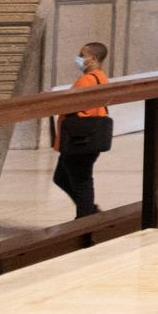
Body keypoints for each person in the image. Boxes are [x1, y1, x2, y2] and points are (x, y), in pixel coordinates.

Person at [53, 42, 113, 218]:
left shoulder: (86, 80)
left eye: (82, 55)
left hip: (79, 139)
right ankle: (90, 211)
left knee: (82, 182)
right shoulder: (101, 77)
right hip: (88, 137)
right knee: (61, 177)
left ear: (93, 59)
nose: (79, 58)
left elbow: (70, 104)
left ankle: (85, 221)